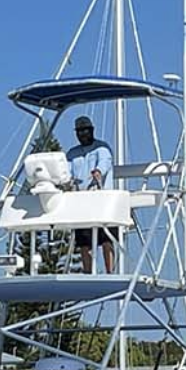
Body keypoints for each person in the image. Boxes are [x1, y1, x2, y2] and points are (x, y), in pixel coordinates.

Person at [64, 115, 116, 273]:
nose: (82, 134)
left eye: (85, 130)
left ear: (92, 130)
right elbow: (65, 171)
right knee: (84, 240)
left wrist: (99, 171)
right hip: (82, 201)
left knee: (106, 238)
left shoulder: (102, 148)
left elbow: (105, 162)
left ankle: (109, 272)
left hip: (103, 200)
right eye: (79, 131)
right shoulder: (72, 153)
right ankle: (88, 272)